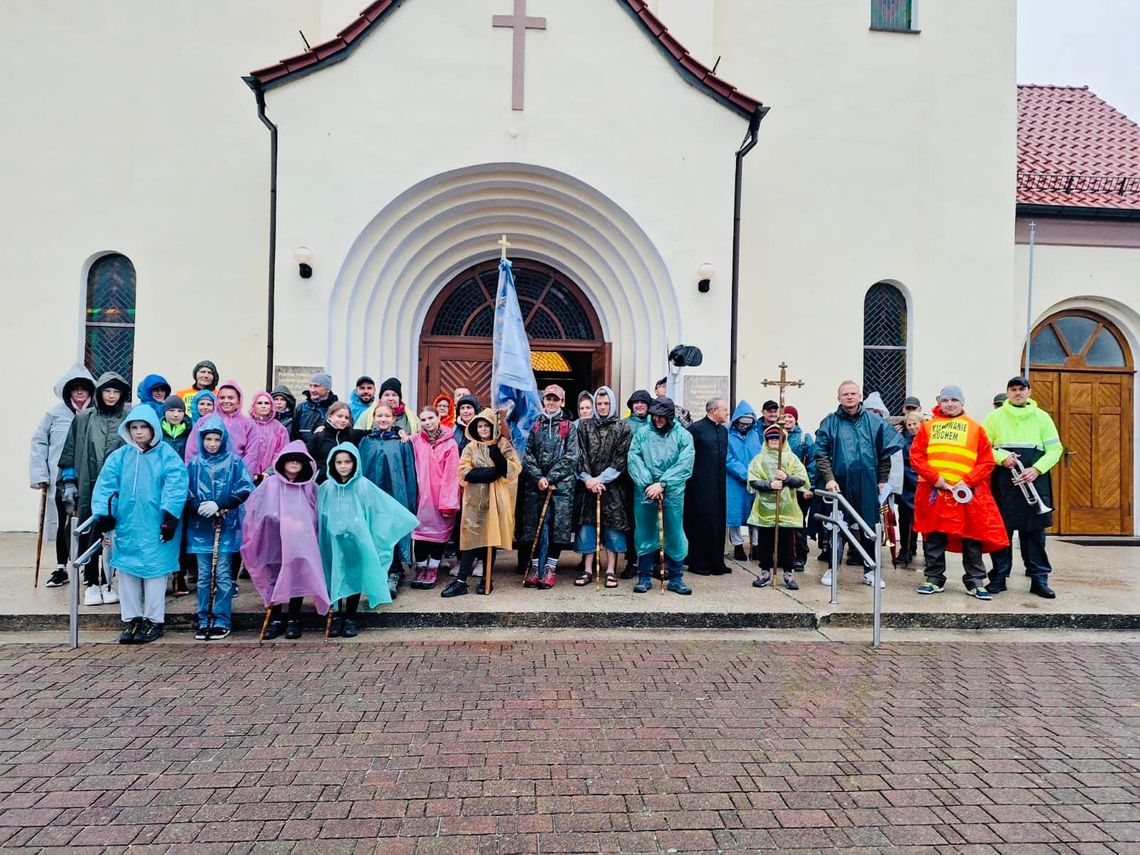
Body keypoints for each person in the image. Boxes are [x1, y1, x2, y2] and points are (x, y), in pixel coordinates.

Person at [89, 404, 188, 644]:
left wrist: (170, 518)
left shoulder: (166, 455)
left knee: (155, 574)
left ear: (154, 428)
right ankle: (132, 619)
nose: (139, 432)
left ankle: (154, 620)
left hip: (157, 526)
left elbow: (175, 486)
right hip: (126, 525)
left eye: (144, 427)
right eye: (134, 427)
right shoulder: (120, 457)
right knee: (128, 573)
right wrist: (104, 514)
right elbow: (105, 486)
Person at [911, 386, 1009, 600]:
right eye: (945, 400)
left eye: (954, 399)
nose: (949, 404)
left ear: (962, 403)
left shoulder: (975, 428)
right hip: (935, 492)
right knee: (934, 535)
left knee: (971, 536)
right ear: (940, 402)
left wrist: (967, 481)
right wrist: (936, 479)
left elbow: (986, 460)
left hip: (966, 493)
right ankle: (933, 578)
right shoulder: (927, 427)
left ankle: (975, 582)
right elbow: (917, 456)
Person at [318, 444, 419, 635]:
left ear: (355, 462)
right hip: (334, 543)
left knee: (354, 576)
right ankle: (337, 615)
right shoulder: (326, 488)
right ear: (332, 464)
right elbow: (320, 514)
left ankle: (350, 616)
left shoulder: (363, 486)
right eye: (339, 462)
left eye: (348, 462)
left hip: (356, 543)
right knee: (336, 575)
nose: (343, 466)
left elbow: (381, 509)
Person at [813, 380, 903, 587]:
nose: (849, 397)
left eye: (853, 393)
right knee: (836, 527)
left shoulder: (874, 422)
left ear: (860, 396)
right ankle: (832, 569)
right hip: (839, 485)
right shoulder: (829, 422)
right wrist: (829, 479)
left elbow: (885, 454)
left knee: (869, 527)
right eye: (845, 394)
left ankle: (871, 570)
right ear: (839, 398)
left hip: (868, 483)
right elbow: (821, 454)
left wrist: (882, 481)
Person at [983, 376, 1063, 598]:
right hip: (1003, 481)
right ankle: (998, 577)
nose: (1017, 393)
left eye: (1022, 389)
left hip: (1034, 480)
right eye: (1013, 389)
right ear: (1008, 392)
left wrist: (1036, 469)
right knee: (1001, 532)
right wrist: (1002, 458)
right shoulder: (994, 417)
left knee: (1035, 534)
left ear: (1029, 392)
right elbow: (983, 447)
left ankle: (1039, 580)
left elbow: (1056, 449)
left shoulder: (1042, 417)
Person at [240, 441, 330, 640]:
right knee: (274, 578)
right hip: (273, 543)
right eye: (290, 460)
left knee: (296, 576)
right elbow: (255, 510)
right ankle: (276, 618)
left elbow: (317, 512)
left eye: (299, 461)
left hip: (299, 544)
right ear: (281, 462)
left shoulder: (310, 487)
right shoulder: (270, 484)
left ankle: (294, 619)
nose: (294, 464)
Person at [57, 371, 131, 605]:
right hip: (88, 484)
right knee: (88, 530)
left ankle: (108, 581)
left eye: (116, 391)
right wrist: (68, 482)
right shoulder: (84, 418)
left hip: (119, 488)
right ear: (99, 392)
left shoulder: (128, 419)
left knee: (113, 533)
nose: (111, 395)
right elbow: (69, 450)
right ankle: (91, 581)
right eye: (107, 390)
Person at [185, 415, 254, 640]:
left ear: (223, 439)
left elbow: (245, 488)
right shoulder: (194, 463)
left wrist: (221, 504)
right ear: (201, 440)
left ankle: (222, 619)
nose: (212, 444)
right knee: (204, 575)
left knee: (223, 574)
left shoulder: (234, 461)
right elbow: (185, 490)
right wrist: (197, 505)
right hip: (200, 527)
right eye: (208, 439)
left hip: (226, 524)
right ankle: (204, 618)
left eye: (216, 439)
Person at [442, 409, 521, 597]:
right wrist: (492, 473)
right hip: (475, 501)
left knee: (490, 540)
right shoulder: (471, 447)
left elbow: (512, 469)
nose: (483, 429)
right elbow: (464, 472)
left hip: (496, 500)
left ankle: (487, 579)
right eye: (480, 426)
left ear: (493, 427)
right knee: (472, 539)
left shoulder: (502, 444)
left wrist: (495, 453)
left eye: (487, 425)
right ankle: (461, 581)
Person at [29, 364, 96, 588]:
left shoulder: (95, 414)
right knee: (62, 523)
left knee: (87, 523)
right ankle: (60, 567)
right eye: (75, 388)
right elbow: (39, 442)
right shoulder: (54, 414)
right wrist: (40, 474)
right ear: (68, 391)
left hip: (88, 478)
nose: (79, 392)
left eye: (83, 388)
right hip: (59, 479)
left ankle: (88, 566)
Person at [627, 396, 695, 595]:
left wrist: (663, 483)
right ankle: (644, 576)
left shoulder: (683, 436)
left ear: (669, 416)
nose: (657, 419)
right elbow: (634, 458)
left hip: (672, 491)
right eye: (654, 415)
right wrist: (649, 484)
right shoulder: (642, 434)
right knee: (645, 531)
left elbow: (685, 464)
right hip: (645, 489)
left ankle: (675, 578)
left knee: (674, 532)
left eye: (661, 416)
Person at [518, 384, 579, 589]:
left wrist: (551, 478)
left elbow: (572, 457)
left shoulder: (569, 427)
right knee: (534, 526)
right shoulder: (535, 424)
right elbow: (528, 456)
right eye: (548, 399)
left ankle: (550, 567)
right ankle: (535, 567)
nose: (551, 403)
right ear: (543, 400)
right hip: (536, 486)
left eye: (555, 399)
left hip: (561, 487)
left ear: (562, 401)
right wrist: (538, 477)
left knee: (558, 528)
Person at [572, 385, 632, 588]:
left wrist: (602, 479)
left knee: (613, 528)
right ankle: (588, 569)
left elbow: (621, 457)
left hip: (612, 487)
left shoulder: (622, 427)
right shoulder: (584, 426)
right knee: (587, 527)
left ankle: (610, 570)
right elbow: (578, 454)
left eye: (606, 403)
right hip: (587, 486)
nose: (603, 407)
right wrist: (588, 479)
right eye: (599, 404)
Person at [358, 402, 417, 587]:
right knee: (373, 531)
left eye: (387, 416)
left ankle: (394, 571)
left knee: (393, 532)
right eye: (380, 416)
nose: (383, 419)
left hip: (395, 495)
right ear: (374, 418)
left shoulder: (402, 442)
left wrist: (409, 498)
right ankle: (376, 572)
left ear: (393, 419)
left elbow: (409, 471)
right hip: (371, 497)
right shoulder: (366, 442)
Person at [747, 424, 810, 590]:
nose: (774, 441)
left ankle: (788, 572)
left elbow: (802, 479)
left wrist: (787, 478)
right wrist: (769, 484)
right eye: (771, 438)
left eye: (777, 438)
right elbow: (753, 480)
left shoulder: (791, 458)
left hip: (787, 508)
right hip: (765, 509)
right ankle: (765, 571)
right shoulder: (759, 459)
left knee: (787, 542)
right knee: (765, 542)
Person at [409, 406, 460, 588]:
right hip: (420, 497)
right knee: (421, 536)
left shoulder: (450, 444)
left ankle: (432, 570)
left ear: (439, 417)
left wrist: (448, 503)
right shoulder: (415, 441)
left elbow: (451, 475)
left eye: (431, 418)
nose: (427, 422)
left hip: (440, 497)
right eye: (423, 420)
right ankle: (421, 568)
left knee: (438, 537)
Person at [684, 398, 730, 575]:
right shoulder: (696, 429)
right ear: (713, 410)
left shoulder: (724, 431)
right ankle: (698, 562)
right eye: (724, 409)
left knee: (718, 522)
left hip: (719, 484)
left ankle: (716, 561)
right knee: (700, 522)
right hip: (699, 486)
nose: (727, 413)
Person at [620, 389, 653, 578]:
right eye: (635, 402)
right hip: (629, 481)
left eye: (643, 402)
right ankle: (632, 561)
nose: (639, 405)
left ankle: (652, 561)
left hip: (650, 482)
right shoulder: (625, 425)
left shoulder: (654, 423)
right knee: (632, 523)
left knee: (651, 522)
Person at [724, 400, 761, 562]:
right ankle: (738, 545)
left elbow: (761, 455)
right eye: (743, 422)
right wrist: (744, 473)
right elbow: (727, 458)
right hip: (734, 481)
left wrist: (757, 474)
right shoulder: (727, 434)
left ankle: (756, 545)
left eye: (749, 422)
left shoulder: (755, 435)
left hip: (754, 481)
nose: (745, 426)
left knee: (755, 513)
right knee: (734, 514)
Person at [185, 380, 254, 465]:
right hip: (206, 473)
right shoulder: (204, 421)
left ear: (238, 400)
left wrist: (241, 474)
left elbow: (251, 454)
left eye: (230, 398)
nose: (226, 401)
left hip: (236, 473)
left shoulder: (248, 424)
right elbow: (192, 449)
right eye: (222, 398)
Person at [783, 405, 816, 569]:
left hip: (800, 489)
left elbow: (812, 463)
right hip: (782, 488)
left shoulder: (804, 438)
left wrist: (809, 487)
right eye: (785, 416)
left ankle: (799, 556)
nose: (787, 419)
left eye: (790, 416)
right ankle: (784, 556)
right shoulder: (777, 436)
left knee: (798, 524)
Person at [307, 401, 364, 485]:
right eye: (339, 416)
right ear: (330, 415)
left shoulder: (352, 435)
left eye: (346, 418)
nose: (343, 420)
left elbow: (372, 432)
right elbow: (310, 460)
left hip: (347, 483)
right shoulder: (318, 436)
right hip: (323, 483)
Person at [246, 391, 289, 485]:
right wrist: (249, 471)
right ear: (253, 405)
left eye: (267, 403)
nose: (263, 406)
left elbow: (281, 452)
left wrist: (269, 472)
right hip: (246, 476)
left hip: (270, 478)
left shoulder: (279, 428)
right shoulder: (245, 424)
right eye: (259, 403)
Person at [898, 410, 924, 566]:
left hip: (924, 485)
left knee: (926, 522)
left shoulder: (929, 440)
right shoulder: (904, 442)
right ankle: (905, 550)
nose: (913, 427)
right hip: (908, 486)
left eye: (915, 424)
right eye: (909, 425)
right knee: (906, 521)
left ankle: (928, 553)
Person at [354, 377, 420, 434]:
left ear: (399, 398)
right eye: (387, 395)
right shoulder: (368, 415)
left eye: (394, 395)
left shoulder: (411, 417)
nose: (390, 399)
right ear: (381, 398)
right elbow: (357, 434)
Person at [292, 372, 338, 444]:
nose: (312, 390)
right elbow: (293, 436)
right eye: (310, 386)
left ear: (327, 389)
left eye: (316, 386)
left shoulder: (337, 409)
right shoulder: (301, 408)